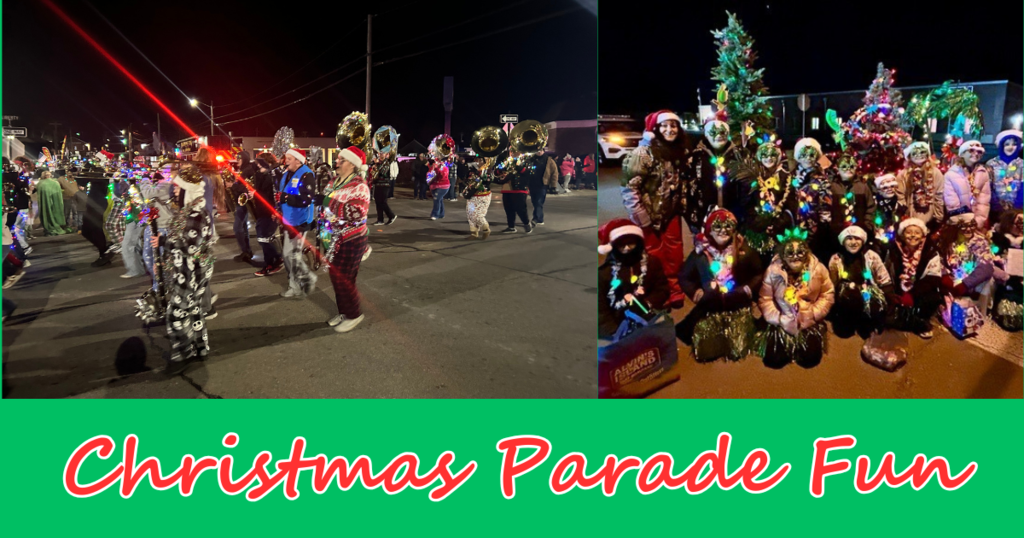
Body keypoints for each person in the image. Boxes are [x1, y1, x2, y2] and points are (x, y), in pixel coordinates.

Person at [621, 110, 690, 307]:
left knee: (675, 253)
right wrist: (641, 216)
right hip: (649, 216)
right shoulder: (643, 153)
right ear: (656, 129)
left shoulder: (678, 150)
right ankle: (660, 291)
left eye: (673, 125)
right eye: (665, 126)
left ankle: (675, 288)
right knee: (654, 255)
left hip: (671, 214)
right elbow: (629, 188)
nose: (670, 130)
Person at [676, 209, 762, 362]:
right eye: (718, 227)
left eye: (728, 226)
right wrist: (696, 293)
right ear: (710, 231)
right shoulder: (700, 254)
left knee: (738, 350)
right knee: (707, 351)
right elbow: (684, 276)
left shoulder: (744, 251)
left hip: (737, 306)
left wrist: (748, 290)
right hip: (709, 306)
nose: (723, 231)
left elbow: (758, 273)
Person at [152, 166, 215, 365]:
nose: (175, 191)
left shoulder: (195, 215)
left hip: (191, 273)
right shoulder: (188, 212)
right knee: (194, 309)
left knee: (175, 314)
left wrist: (164, 243)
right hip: (190, 270)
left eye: (178, 188)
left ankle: (183, 351)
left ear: (189, 190)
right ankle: (200, 347)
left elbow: (190, 247)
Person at [756, 227, 835, 369]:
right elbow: (765, 299)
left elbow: (827, 294)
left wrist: (814, 313)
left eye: (800, 252)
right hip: (782, 320)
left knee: (810, 359)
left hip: (808, 321)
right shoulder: (773, 271)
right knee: (774, 359)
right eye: (790, 253)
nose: (795, 256)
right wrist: (778, 318)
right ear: (782, 255)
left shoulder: (818, 269)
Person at [318, 146, 371, 333]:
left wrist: (326, 202)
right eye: (338, 158)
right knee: (335, 277)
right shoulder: (333, 182)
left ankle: (354, 314)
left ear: (352, 164)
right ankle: (344, 311)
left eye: (342, 159)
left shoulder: (360, 187)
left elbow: (356, 213)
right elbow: (324, 210)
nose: (337, 161)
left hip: (351, 239)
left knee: (345, 279)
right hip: (332, 239)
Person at [597, 218, 669, 339]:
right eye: (621, 245)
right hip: (617, 324)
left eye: (631, 243)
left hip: (647, 317)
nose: (627, 248)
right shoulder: (605, 273)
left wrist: (648, 303)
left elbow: (662, 289)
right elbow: (601, 308)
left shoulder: (652, 263)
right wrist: (613, 331)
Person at [827, 225, 893, 339]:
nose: (853, 242)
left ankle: (866, 321)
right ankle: (848, 322)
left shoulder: (871, 256)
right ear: (843, 242)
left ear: (862, 241)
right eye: (849, 238)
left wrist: (888, 295)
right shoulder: (836, 259)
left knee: (873, 305)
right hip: (846, 291)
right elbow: (832, 282)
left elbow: (883, 276)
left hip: (868, 288)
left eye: (857, 239)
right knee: (848, 299)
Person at [937, 213, 995, 337]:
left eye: (972, 225)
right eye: (964, 226)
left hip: (972, 281)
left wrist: (966, 284)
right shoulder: (948, 242)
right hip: (953, 279)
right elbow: (939, 261)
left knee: (988, 282)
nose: (968, 229)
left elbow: (986, 267)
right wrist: (945, 276)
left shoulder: (980, 241)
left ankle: (980, 315)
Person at [884, 218, 943, 338]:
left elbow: (933, 279)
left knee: (932, 297)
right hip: (897, 289)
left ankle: (920, 321)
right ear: (902, 235)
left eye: (917, 233)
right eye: (908, 232)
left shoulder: (931, 252)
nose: (913, 236)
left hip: (918, 291)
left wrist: (912, 294)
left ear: (922, 236)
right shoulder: (893, 250)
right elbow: (885, 272)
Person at [740, 141, 796, 265]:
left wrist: (778, 224)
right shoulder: (752, 177)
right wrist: (759, 222)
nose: (769, 158)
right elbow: (746, 204)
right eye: (764, 155)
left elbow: (791, 205)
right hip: (756, 233)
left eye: (772, 155)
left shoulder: (787, 178)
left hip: (779, 233)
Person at [278, 148, 317, 298]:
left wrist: (286, 198)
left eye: (289, 158)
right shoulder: (288, 174)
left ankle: (304, 280)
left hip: (300, 220)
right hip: (289, 219)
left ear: (298, 160)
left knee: (291, 254)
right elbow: (283, 193)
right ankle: (297, 284)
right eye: (286, 158)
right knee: (290, 254)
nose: (285, 161)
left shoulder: (307, 175)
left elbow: (307, 199)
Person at [791, 138, 833, 261]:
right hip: (793, 229)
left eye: (811, 154)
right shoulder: (791, 177)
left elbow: (826, 207)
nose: (807, 158)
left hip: (814, 232)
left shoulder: (821, 179)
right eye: (803, 154)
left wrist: (822, 230)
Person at [896, 141, 944, 230]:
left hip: (929, 212)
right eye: (915, 153)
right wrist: (903, 215)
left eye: (922, 152)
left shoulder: (936, 172)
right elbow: (900, 196)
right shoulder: (904, 174)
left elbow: (939, 195)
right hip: (910, 212)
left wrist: (938, 217)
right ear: (909, 156)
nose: (919, 155)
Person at [944, 140, 992, 230]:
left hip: (977, 224)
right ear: (962, 154)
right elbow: (952, 203)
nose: (976, 153)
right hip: (959, 223)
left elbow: (984, 200)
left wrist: (978, 221)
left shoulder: (983, 173)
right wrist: (963, 223)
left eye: (979, 151)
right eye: (971, 150)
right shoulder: (951, 174)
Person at [140, 171, 174, 293]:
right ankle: (159, 285)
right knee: (148, 257)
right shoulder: (161, 184)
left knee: (158, 261)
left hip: (162, 227)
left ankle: (160, 288)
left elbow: (148, 193)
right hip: (153, 225)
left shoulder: (167, 184)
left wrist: (144, 179)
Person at [828, 153, 876, 240]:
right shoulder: (831, 187)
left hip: (859, 232)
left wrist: (866, 225)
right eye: (844, 166)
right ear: (837, 168)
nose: (848, 169)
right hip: (836, 233)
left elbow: (871, 207)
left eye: (852, 166)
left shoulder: (863, 187)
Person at [991, 210, 1023, 331]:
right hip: (1005, 279)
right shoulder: (1001, 239)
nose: (1021, 228)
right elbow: (993, 253)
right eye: (1018, 224)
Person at [253, 155, 284, 276]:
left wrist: (255, 193)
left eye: (260, 163)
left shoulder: (273, 176)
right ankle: (275, 259)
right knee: (263, 237)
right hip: (263, 211)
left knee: (264, 237)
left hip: (269, 212)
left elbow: (270, 196)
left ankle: (272, 263)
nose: (258, 166)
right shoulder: (266, 175)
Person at [493, 152, 533, 234]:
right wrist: (500, 169)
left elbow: (528, 172)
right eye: (512, 150)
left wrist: (517, 164)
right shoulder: (507, 160)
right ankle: (511, 226)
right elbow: (497, 171)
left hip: (520, 187)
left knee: (520, 208)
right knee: (508, 208)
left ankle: (526, 223)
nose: (513, 152)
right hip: (506, 187)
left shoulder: (526, 159)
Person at [987, 130, 1023, 222]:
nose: (1010, 147)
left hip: (1016, 211)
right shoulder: (991, 164)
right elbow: (988, 186)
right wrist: (995, 204)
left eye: (1014, 144)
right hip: (995, 210)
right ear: (1001, 146)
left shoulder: (1022, 164)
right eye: (1007, 144)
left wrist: (1018, 205)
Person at [230, 151, 255, 264]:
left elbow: (247, 188)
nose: (237, 160)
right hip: (240, 202)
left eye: (239, 158)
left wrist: (233, 186)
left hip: (243, 202)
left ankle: (246, 251)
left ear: (244, 159)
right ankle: (247, 252)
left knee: (238, 227)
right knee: (243, 227)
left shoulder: (248, 170)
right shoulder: (243, 170)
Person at [461, 157, 494, 239]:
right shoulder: (473, 170)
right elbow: (466, 179)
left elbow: (488, 180)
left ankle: (486, 229)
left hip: (483, 196)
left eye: (481, 160)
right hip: (472, 194)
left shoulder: (488, 171)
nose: (479, 162)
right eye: (478, 160)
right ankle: (474, 233)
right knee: (470, 214)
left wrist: (481, 175)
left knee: (478, 215)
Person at [872, 173, 907, 248]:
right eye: (885, 188)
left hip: (896, 241)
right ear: (879, 190)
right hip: (878, 240)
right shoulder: (874, 204)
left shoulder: (900, 205)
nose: (889, 189)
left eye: (892, 186)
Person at [530, 150, 558, 226]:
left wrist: (553, 186)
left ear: (543, 151)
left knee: (539, 201)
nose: (539, 152)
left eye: (540, 151)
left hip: (543, 184)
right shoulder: (531, 159)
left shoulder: (549, 161)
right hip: (532, 184)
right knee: (534, 201)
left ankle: (537, 219)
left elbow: (554, 173)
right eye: (537, 150)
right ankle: (539, 218)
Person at [35, 170, 67, 236]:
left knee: (46, 214)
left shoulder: (40, 184)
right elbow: (58, 194)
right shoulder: (55, 183)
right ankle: (56, 225)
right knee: (54, 212)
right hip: (55, 203)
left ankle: (48, 228)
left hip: (44, 204)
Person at [370, 151, 398, 225]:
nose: (381, 155)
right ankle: (380, 220)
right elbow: (374, 173)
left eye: (382, 154)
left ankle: (391, 216)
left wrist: (376, 165)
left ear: (386, 154)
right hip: (378, 184)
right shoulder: (379, 163)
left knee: (383, 202)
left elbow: (382, 172)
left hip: (384, 185)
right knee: (378, 202)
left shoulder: (387, 163)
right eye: (380, 154)